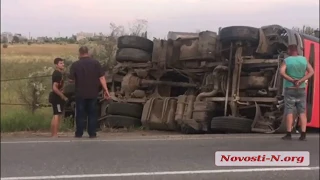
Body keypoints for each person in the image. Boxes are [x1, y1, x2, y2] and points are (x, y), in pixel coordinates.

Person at [68, 46, 110, 138]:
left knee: (80, 113)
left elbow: (71, 80)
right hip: (93, 92)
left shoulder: (75, 65)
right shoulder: (96, 63)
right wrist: (106, 90)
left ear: (80, 53)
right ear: (88, 52)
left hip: (80, 93)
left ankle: (79, 133)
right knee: (92, 113)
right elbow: (102, 78)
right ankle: (92, 133)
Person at [280, 44, 314, 141]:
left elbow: (282, 72)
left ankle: (289, 134)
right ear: (297, 50)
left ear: (289, 51)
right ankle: (303, 134)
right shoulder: (304, 60)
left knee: (289, 111)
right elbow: (311, 72)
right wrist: (301, 80)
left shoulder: (287, 60)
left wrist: (292, 80)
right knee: (302, 112)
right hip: (301, 89)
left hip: (290, 89)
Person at [49, 58, 68, 137]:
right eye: (60, 63)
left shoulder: (59, 73)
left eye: (63, 63)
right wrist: (62, 96)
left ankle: (53, 133)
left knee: (55, 114)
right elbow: (54, 88)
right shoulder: (57, 74)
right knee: (57, 115)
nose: (62, 64)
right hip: (56, 97)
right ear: (56, 65)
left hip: (56, 97)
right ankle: (55, 134)